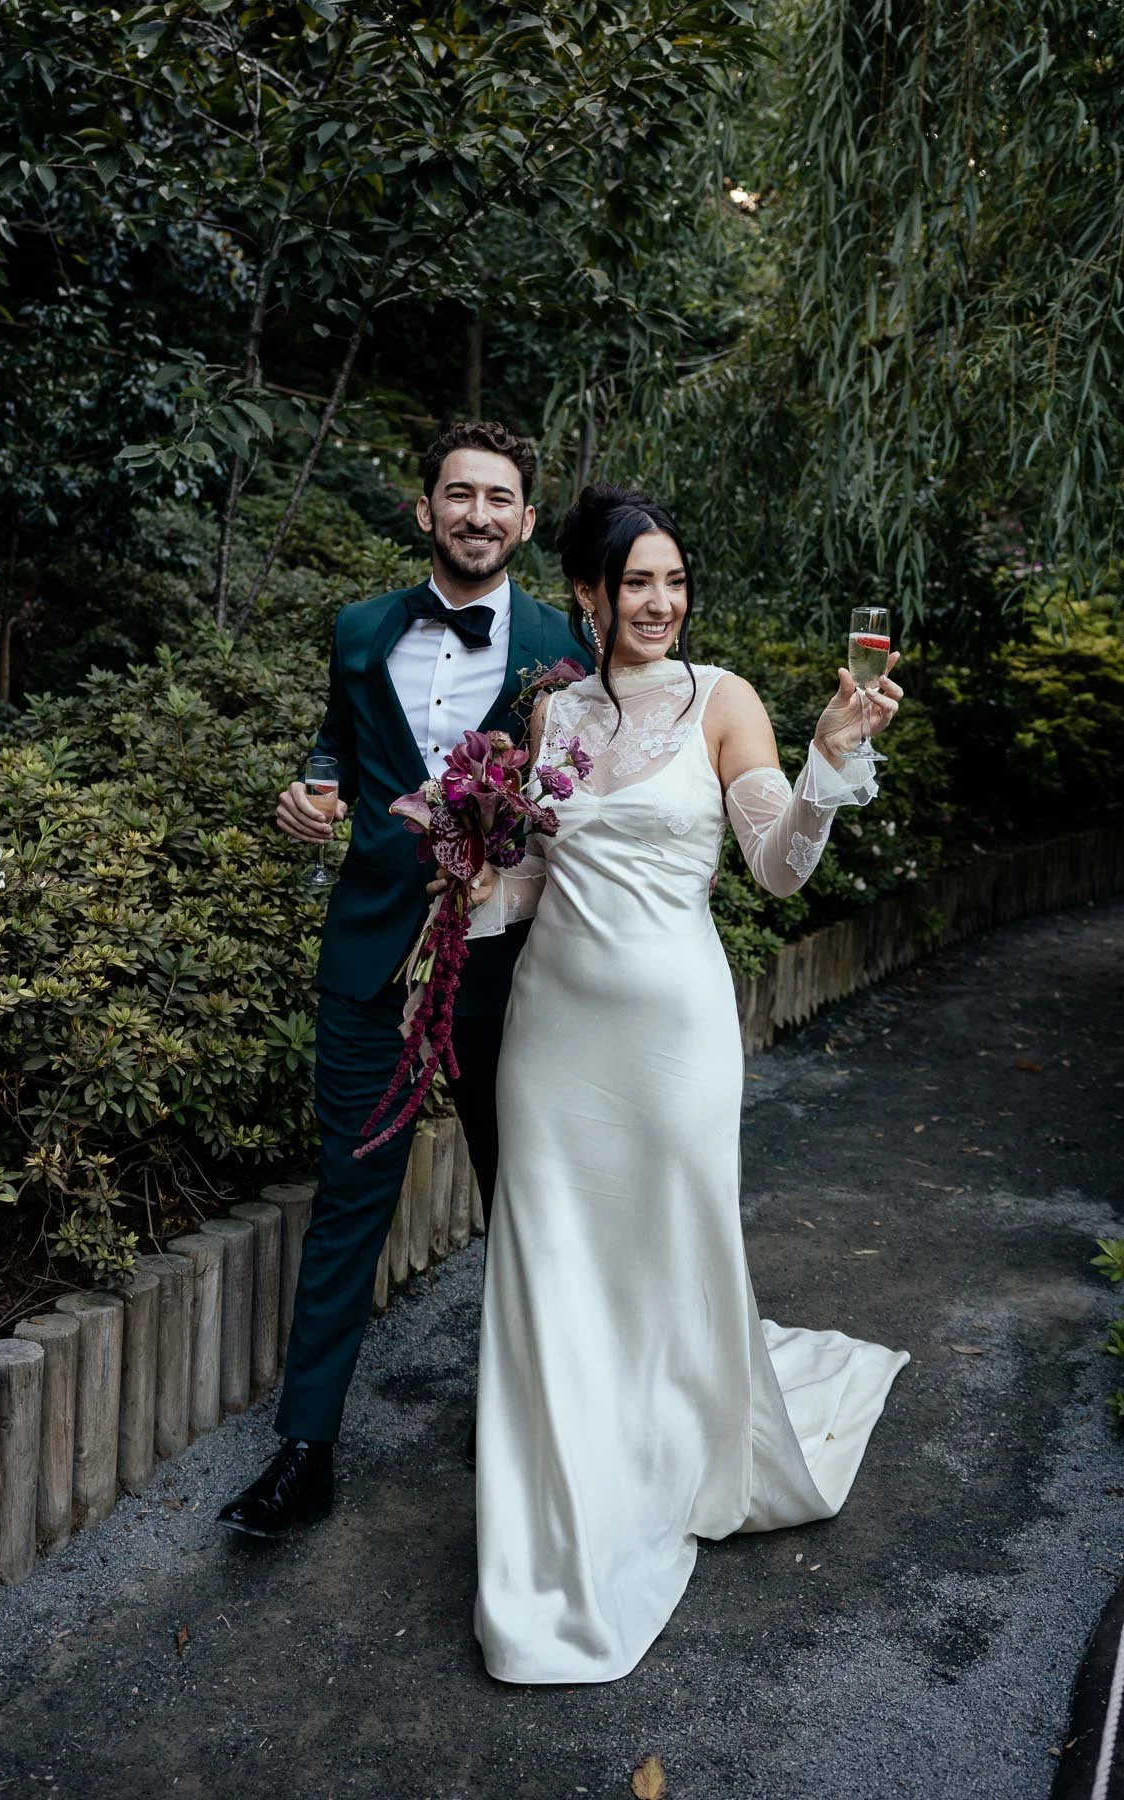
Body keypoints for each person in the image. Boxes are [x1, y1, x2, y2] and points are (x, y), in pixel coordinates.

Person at [464, 484, 910, 1683]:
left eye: (673, 581)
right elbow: (526, 891)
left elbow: (774, 872)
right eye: (635, 583)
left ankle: (668, 1452)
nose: (659, 603)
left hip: (672, 1038)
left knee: (667, 1246)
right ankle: (559, 1506)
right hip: (551, 1039)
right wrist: (457, 873)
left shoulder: (726, 701)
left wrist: (825, 762)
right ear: (587, 596)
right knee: (549, 1261)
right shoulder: (549, 718)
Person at [216, 421, 589, 1538]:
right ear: (424, 509)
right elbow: (338, 750)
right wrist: (307, 795)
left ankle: (526, 1418)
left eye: (500, 499)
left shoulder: (564, 647)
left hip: (511, 969)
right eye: (458, 494)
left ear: (525, 520)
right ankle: (306, 1448)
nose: (478, 515)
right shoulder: (360, 628)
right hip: (373, 955)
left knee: (522, 1202)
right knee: (348, 1203)